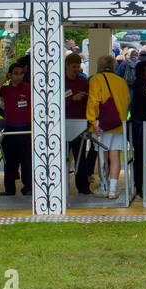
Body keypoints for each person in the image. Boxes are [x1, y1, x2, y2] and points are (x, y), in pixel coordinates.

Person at [84, 54, 130, 198]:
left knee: (102, 156)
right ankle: (113, 189)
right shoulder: (121, 81)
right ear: (114, 66)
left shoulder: (96, 79)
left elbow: (93, 101)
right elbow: (127, 101)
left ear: (100, 67)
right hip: (118, 123)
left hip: (101, 124)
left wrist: (92, 120)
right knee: (115, 155)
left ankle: (104, 186)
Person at [0, 61, 32, 196]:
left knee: (26, 161)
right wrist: (4, 80)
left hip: (26, 129)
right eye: (15, 74)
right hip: (10, 130)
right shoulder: (6, 90)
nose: (19, 77)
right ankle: (10, 190)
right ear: (10, 75)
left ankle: (28, 187)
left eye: (21, 74)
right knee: (10, 163)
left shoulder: (28, 88)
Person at [128, 59, 146, 200]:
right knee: (140, 158)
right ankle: (139, 186)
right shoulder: (140, 86)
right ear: (141, 73)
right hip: (140, 127)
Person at [63, 54, 92, 194]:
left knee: (80, 155)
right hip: (63, 122)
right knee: (62, 156)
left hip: (79, 122)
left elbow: (89, 99)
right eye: (73, 67)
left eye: (78, 66)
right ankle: (61, 186)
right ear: (67, 65)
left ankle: (83, 186)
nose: (76, 69)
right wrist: (71, 99)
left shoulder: (82, 81)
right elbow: (55, 103)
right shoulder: (60, 81)